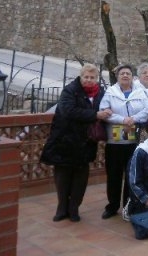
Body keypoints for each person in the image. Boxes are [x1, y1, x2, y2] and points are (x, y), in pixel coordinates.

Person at [41, 63, 110, 222]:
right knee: (63, 175)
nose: (89, 80)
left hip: (86, 142)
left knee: (81, 177)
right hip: (66, 139)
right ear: (81, 76)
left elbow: (106, 107)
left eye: (92, 77)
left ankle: (74, 208)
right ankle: (62, 207)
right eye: (86, 77)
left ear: (96, 79)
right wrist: (95, 115)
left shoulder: (100, 93)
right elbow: (68, 111)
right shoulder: (70, 90)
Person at [99, 64, 148, 219]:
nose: (125, 76)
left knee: (131, 175)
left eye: (128, 73)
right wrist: (123, 119)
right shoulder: (110, 92)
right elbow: (105, 111)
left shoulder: (140, 92)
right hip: (115, 141)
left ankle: (129, 205)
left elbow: (147, 111)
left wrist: (133, 119)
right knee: (113, 175)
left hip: (133, 141)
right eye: (122, 73)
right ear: (117, 76)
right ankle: (112, 206)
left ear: (132, 76)